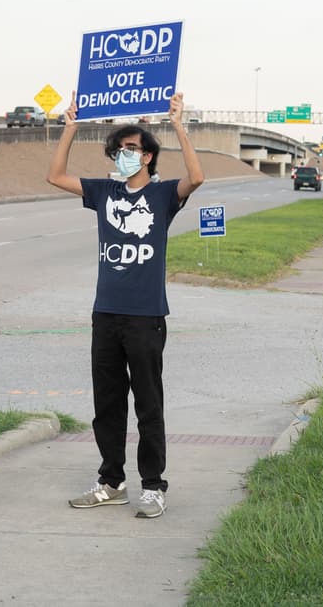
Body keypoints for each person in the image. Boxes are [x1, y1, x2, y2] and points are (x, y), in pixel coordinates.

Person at [46, 90, 205, 519]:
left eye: (132, 150)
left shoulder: (164, 195)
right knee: (108, 404)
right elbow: (55, 176)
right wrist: (70, 129)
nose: (123, 156)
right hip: (106, 314)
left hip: (146, 316)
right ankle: (111, 482)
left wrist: (178, 126)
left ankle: (153, 486)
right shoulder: (103, 192)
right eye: (118, 150)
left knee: (148, 404)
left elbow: (198, 177)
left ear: (149, 157)